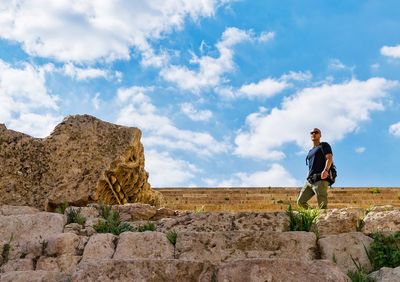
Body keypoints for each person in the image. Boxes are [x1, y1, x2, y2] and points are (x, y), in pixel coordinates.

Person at [297, 128, 333, 209]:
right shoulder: (310, 151)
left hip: (321, 179)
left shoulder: (324, 145)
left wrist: (326, 170)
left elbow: (329, 158)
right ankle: (313, 215)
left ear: (320, 135)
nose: (313, 134)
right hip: (310, 181)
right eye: (311, 133)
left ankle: (323, 220)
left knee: (322, 206)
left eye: (316, 132)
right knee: (300, 202)